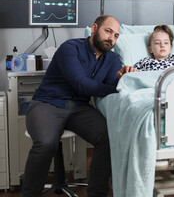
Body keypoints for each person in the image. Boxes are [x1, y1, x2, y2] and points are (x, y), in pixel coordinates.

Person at [22, 15, 136, 197]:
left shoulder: (112, 59)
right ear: (94, 28)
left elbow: (115, 87)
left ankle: (97, 194)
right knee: (45, 143)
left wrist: (125, 76)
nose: (111, 38)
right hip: (48, 103)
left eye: (116, 36)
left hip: (79, 108)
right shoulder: (70, 47)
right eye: (108, 31)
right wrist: (113, 86)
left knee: (108, 137)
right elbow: (80, 83)